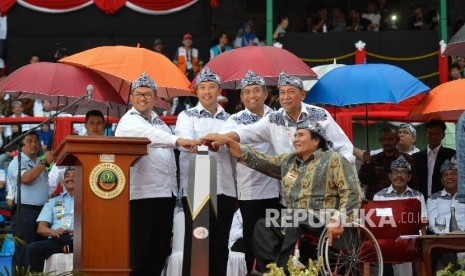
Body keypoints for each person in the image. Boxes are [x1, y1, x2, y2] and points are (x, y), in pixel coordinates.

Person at [201, 121, 362, 272]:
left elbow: (352, 192)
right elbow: (258, 159)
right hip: (296, 219)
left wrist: (339, 219)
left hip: (324, 217)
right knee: (263, 225)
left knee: (294, 218)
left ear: (316, 140)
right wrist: (229, 142)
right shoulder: (289, 161)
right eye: (295, 136)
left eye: (301, 135)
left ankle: (284, 267)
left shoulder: (333, 159)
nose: (296, 139)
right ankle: (273, 270)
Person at [115, 73, 198, 276]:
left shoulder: (158, 121)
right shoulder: (129, 121)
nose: (143, 98)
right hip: (143, 196)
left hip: (165, 194)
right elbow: (152, 137)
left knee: (160, 251)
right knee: (141, 254)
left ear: (155, 97)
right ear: (132, 98)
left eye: (148, 94)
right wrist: (178, 140)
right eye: (138, 94)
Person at [175, 67, 235, 276]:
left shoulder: (231, 119)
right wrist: (211, 142)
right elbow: (185, 143)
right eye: (202, 87)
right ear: (196, 92)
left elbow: (235, 148)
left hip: (225, 187)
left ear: (219, 90)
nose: (207, 92)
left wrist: (223, 141)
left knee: (220, 245)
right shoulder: (186, 116)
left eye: (211, 87)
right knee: (197, 245)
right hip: (197, 186)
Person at [224, 72, 355, 165]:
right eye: (282, 92)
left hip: (321, 192)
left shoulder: (320, 115)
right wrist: (222, 137)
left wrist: (337, 171)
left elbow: (344, 147)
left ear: (302, 94)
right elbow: (247, 132)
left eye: (291, 92)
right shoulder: (274, 118)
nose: (286, 96)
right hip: (288, 194)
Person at [221, 70, 281, 273]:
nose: (251, 95)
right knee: (253, 240)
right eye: (246, 92)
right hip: (250, 191)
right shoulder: (234, 121)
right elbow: (225, 142)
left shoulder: (278, 117)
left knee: (277, 239)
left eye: (256, 90)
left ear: (266, 94)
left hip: (278, 190)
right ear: (241, 97)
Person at [373, 155, 426, 276]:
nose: (399, 176)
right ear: (390, 176)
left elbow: (424, 220)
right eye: (395, 172)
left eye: (403, 172)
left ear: (409, 177)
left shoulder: (417, 196)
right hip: (387, 239)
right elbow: (378, 223)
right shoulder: (379, 196)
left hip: (411, 240)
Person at [8, 131, 55, 263]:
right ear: (21, 145)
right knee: (24, 249)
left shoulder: (37, 163)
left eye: (36, 141)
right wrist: (45, 161)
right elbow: (26, 178)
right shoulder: (16, 162)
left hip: (42, 212)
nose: (34, 144)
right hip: (25, 212)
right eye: (29, 141)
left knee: (39, 250)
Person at [20, 166, 76, 272]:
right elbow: (41, 228)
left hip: (79, 240)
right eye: (67, 176)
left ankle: (68, 247)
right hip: (57, 238)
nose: (70, 178)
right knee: (31, 249)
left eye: (74, 176)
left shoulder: (88, 200)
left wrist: (80, 233)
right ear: (63, 181)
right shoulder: (54, 201)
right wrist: (54, 232)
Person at [48, 110, 105, 196]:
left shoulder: (111, 146)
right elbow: (56, 173)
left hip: (101, 194)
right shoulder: (75, 145)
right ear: (85, 125)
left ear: (104, 125)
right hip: (73, 198)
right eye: (92, 123)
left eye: (99, 123)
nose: (95, 126)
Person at [358, 126, 417, 200]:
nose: (387, 142)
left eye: (391, 139)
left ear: (397, 140)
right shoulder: (373, 159)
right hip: (376, 202)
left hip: (399, 202)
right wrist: (365, 164)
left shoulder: (407, 159)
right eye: (384, 139)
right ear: (380, 141)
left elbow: (413, 183)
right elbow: (363, 180)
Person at [427, 159, 464, 272]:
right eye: (446, 175)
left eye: (453, 174)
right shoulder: (434, 198)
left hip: (464, 235)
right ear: (442, 180)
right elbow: (432, 223)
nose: (449, 177)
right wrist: (445, 234)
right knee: (444, 248)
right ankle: (457, 273)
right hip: (444, 238)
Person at [413, 120, 456, 198]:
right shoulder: (416, 157)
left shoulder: (451, 155)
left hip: (444, 200)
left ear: (443, 135)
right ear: (426, 134)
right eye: (430, 133)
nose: (433, 137)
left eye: (436, 134)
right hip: (421, 199)